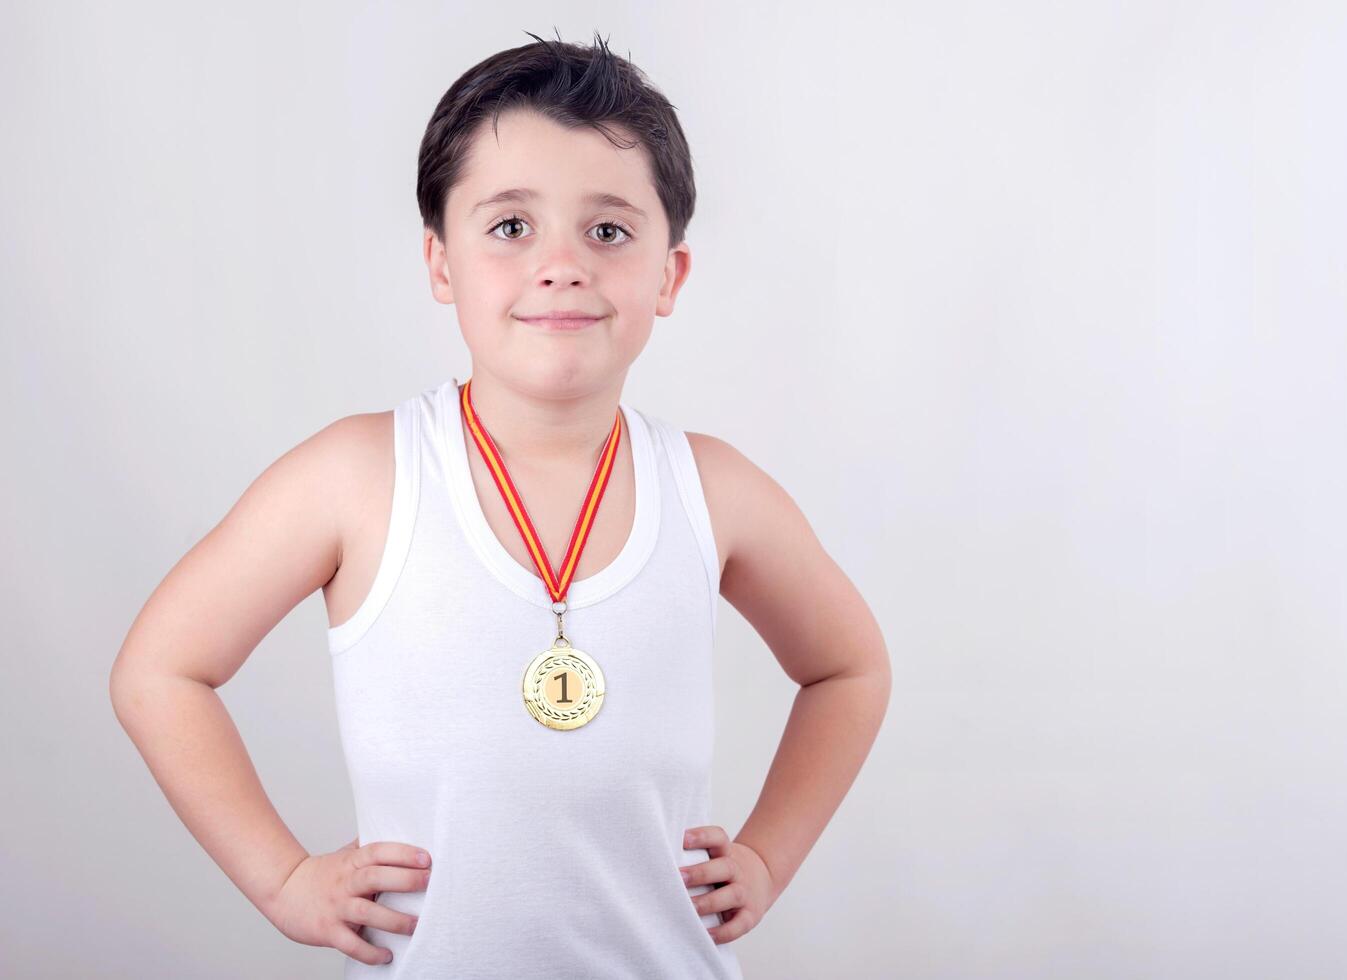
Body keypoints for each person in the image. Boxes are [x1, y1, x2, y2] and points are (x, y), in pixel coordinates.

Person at [110, 30, 891, 978]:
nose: (560, 264)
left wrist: (769, 855)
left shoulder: (713, 487)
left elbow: (849, 667)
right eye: (511, 226)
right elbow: (160, 670)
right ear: (441, 264)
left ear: (668, 276)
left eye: (608, 230)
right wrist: (281, 881)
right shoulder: (359, 476)